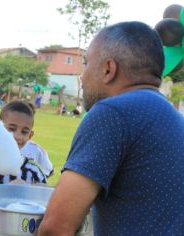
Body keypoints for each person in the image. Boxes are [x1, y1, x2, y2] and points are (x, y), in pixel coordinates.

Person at [39, 21, 184, 235]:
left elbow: (56, 227)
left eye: (86, 63)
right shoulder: (174, 118)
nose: (82, 76)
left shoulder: (113, 112)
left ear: (108, 69)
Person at [0, 101, 47, 184]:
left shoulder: (34, 171)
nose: (18, 136)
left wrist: (27, 192)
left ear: (30, 136)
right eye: (12, 129)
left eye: (24, 132)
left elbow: (43, 195)